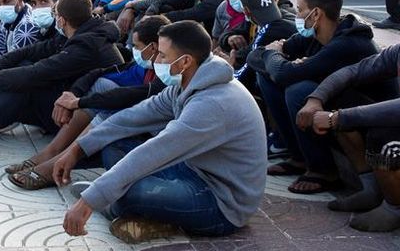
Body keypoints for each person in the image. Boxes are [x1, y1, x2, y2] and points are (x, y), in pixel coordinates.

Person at [55, 21, 266, 242]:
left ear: (185, 61)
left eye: (163, 56)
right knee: (114, 144)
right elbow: (132, 117)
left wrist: (91, 199)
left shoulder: (213, 104)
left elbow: (156, 150)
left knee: (133, 194)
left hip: (222, 203)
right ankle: (127, 204)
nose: (156, 61)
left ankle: (122, 206)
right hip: (193, 170)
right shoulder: (187, 83)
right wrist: (77, 148)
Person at [297, 0, 400, 233]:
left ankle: (394, 209)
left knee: (384, 137)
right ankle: (370, 187)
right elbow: (354, 71)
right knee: (340, 97)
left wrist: (339, 118)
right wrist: (316, 99)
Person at [0, 0, 125, 153]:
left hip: (82, 116)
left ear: (62, 20)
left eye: (54, 12)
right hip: (69, 102)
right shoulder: (80, 34)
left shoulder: (86, 45)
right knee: (16, 75)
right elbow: (30, 51)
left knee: (22, 85)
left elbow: (37, 73)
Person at [5, 15, 169, 191]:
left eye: (136, 47)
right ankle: (53, 152)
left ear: (153, 47)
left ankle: (57, 163)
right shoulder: (147, 66)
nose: (134, 51)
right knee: (103, 86)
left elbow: (135, 95)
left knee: (111, 111)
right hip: (137, 123)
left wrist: (79, 102)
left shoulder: (168, 73)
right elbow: (100, 73)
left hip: (157, 135)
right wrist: (72, 95)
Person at [247, 0, 380, 194]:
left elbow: (282, 72)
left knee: (298, 90)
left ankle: (323, 170)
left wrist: (276, 56)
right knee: (266, 78)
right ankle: (299, 157)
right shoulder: (312, 35)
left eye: (300, 11)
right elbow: (255, 57)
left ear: (316, 14)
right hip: (329, 104)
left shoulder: (349, 42)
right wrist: (277, 57)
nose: (297, 17)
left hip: (361, 115)